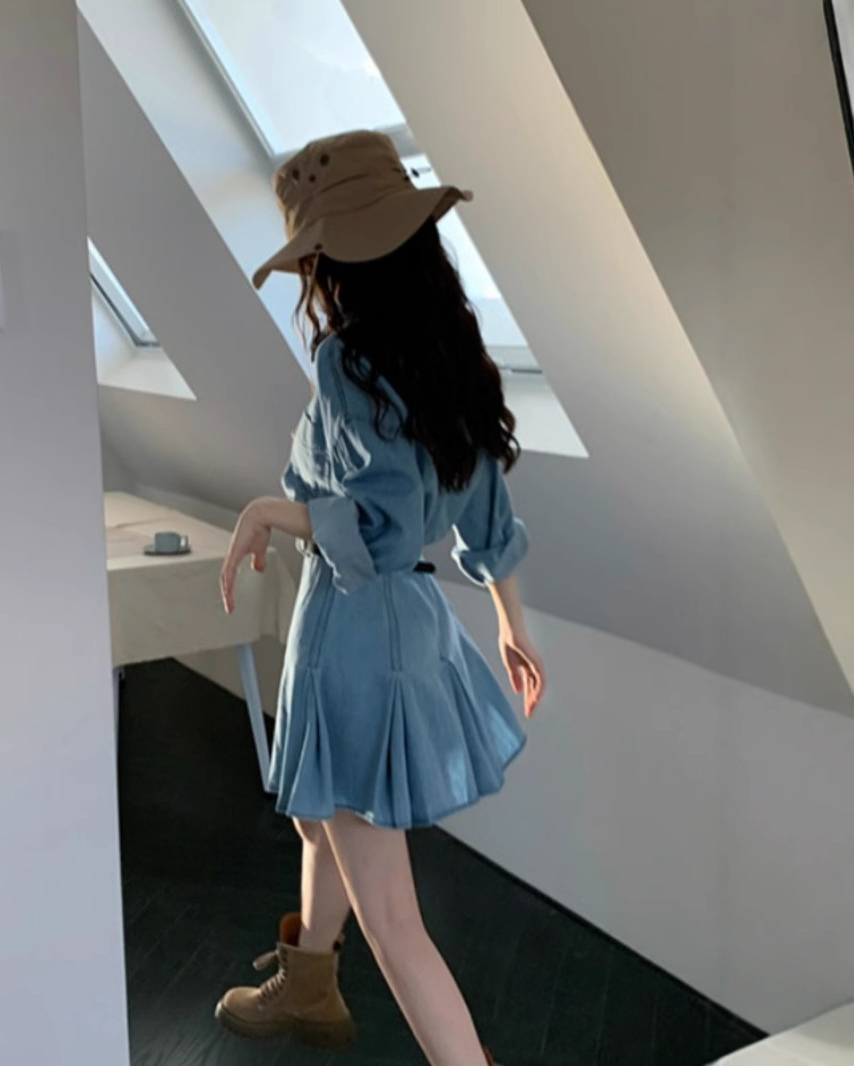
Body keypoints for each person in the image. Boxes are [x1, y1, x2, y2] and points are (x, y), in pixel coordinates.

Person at [215, 130, 545, 1066]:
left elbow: (382, 529)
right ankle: (310, 982)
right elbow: (484, 508)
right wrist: (511, 622)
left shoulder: (347, 363)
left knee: (393, 918)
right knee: (320, 813)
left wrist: (270, 510)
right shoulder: (450, 350)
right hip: (406, 626)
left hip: (357, 629)